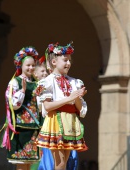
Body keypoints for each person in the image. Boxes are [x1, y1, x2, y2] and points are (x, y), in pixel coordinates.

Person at [34, 42, 88, 170]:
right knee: (60, 163)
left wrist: (77, 98)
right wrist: (69, 98)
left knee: (65, 163)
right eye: (65, 60)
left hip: (70, 122)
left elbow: (81, 110)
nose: (68, 63)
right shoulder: (47, 82)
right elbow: (46, 106)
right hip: (56, 122)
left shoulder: (74, 82)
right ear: (53, 62)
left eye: (69, 60)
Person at [0, 46, 41, 170]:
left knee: (30, 163)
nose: (31, 68)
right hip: (20, 128)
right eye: (28, 65)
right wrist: (22, 91)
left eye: (33, 65)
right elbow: (13, 105)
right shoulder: (14, 82)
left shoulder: (36, 83)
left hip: (34, 127)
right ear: (20, 66)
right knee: (21, 163)